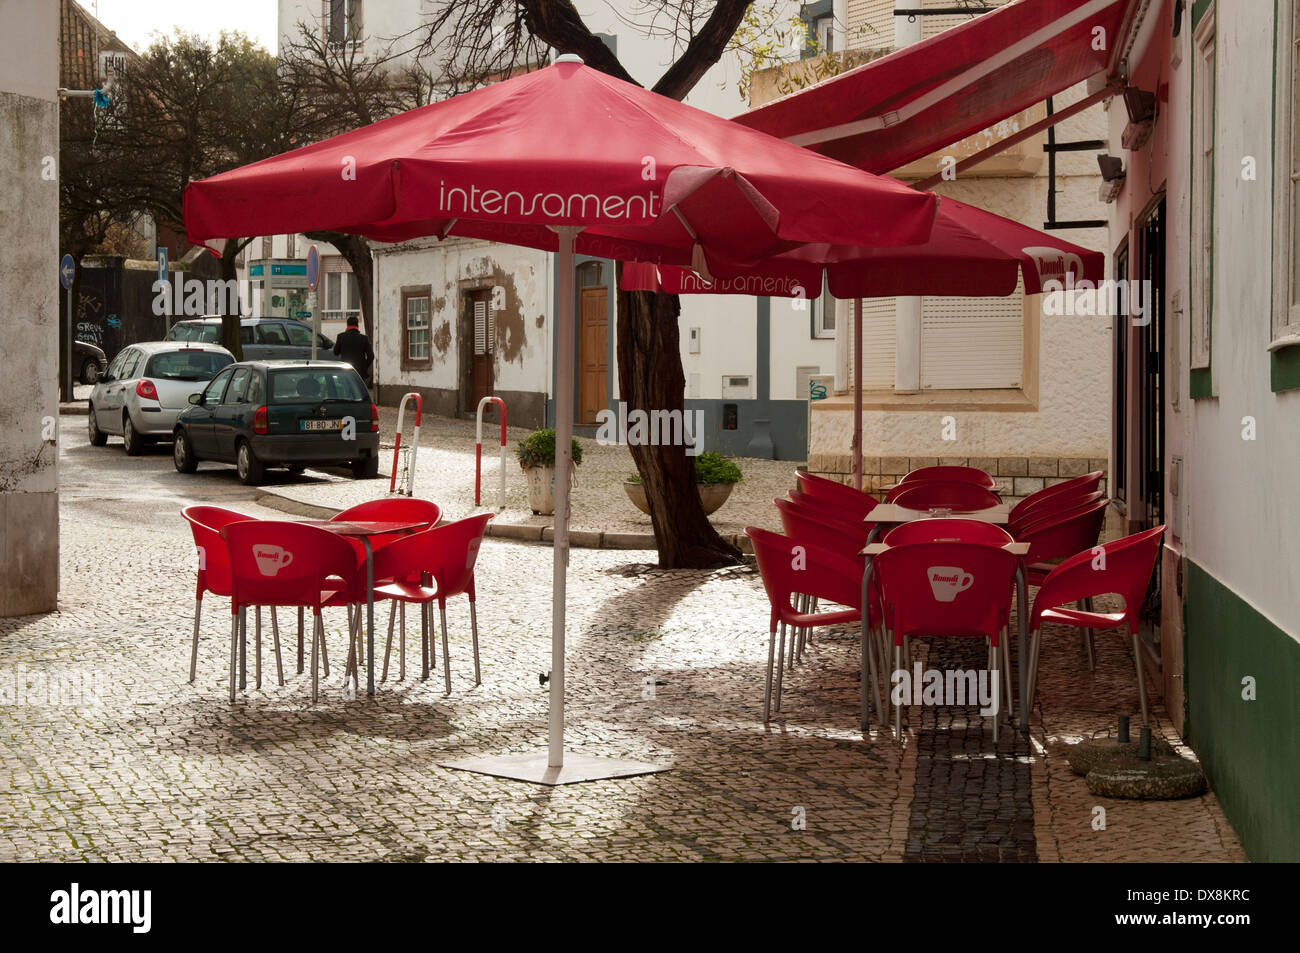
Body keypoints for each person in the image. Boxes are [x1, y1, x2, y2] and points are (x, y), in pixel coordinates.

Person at [333, 315, 374, 386]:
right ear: (357, 325)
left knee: (347, 390)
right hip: (359, 372)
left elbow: (335, 352)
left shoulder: (341, 336)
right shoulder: (364, 338)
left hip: (345, 369)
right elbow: (371, 356)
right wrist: (364, 366)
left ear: (347, 325)